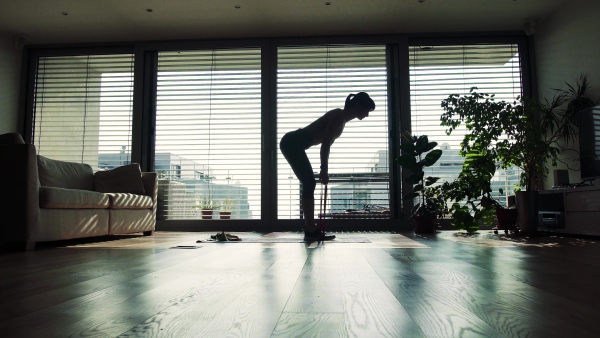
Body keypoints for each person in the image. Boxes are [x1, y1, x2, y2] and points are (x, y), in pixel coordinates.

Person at [280, 92, 376, 241]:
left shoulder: (341, 121)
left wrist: (324, 168)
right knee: (309, 182)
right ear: (358, 106)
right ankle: (311, 230)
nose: (367, 115)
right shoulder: (338, 115)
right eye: (367, 110)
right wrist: (324, 168)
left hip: (294, 143)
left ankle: (310, 229)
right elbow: (325, 143)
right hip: (292, 142)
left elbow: (327, 144)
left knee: (309, 183)